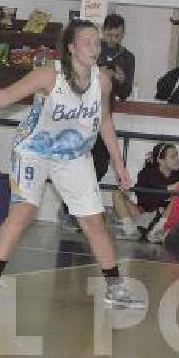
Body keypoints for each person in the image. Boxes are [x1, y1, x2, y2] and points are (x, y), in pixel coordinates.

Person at [0, 19, 143, 309]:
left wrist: (120, 164)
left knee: (93, 221)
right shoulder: (48, 76)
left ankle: (115, 287)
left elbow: (104, 120)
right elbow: (4, 97)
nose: (94, 47)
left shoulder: (102, 80)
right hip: (34, 150)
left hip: (74, 155)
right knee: (24, 210)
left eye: (97, 42)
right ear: (71, 48)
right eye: (87, 42)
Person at [61, 13, 136, 229]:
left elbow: (125, 91)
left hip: (102, 116)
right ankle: (71, 209)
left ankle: (80, 209)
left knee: (99, 164)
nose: (113, 40)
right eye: (110, 35)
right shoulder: (90, 50)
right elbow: (71, 73)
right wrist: (96, 70)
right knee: (70, 164)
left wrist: (120, 80)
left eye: (118, 36)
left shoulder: (127, 57)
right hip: (78, 115)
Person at [111, 142, 179, 239]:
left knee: (178, 198)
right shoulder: (147, 173)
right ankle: (130, 230)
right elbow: (144, 199)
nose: (177, 159)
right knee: (117, 193)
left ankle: (158, 230)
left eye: (177, 155)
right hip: (144, 214)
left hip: (164, 216)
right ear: (160, 160)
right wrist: (172, 188)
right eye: (173, 157)